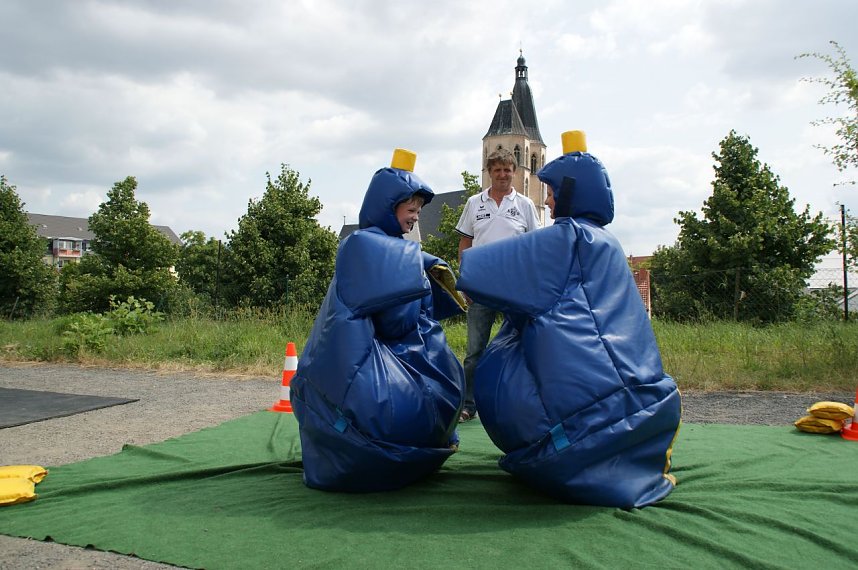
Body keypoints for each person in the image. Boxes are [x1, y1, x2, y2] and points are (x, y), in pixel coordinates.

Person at [456, 131, 681, 508]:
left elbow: (479, 271)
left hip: (584, 429)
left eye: (552, 192)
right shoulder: (605, 240)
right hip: (640, 409)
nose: (547, 200)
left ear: (571, 193)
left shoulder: (569, 237)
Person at [290, 148, 467, 493]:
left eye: (417, 210)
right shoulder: (372, 247)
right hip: (354, 385)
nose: (415, 217)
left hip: (332, 377)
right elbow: (398, 323)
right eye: (410, 209)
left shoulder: (366, 244)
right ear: (389, 206)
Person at [455, 148, 541, 422]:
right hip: (481, 285)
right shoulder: (474, 203)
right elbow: (465, 242)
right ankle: (469, 405)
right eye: (497, 170)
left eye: (507, 170)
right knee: (475, 351)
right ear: (489, 172)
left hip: (515, 287)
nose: (503, 175)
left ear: (514, 172)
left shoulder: (525, 205)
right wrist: (464, 279)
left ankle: (524, 403)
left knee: (525, 345)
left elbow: (534, 246)